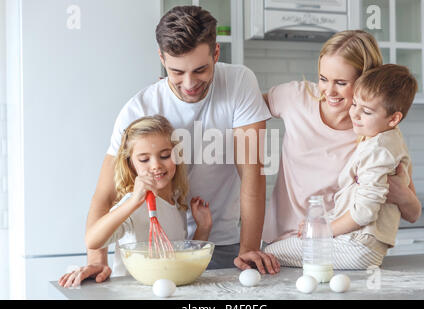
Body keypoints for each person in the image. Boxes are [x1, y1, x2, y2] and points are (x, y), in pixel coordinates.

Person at [59, 5, 279, 288]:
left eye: (200, 70)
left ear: (216, 53)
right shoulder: (139, 109)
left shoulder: (238, 83)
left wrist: (248, 248)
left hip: (225, 242)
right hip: (156, 249)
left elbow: (252, 175)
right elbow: (105, 194)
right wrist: (97, 260)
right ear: (162, 58)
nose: (189, 84)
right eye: (176, 72)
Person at [260, 30, 421, 257]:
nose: (329, 91)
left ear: (365, 80)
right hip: (280, 244)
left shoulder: (376, 134)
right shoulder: (295, 98)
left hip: (334, 247)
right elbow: (245, 111)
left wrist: (400, 193)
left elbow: (413, 213)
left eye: (341, 83)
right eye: (323, 79)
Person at [81, 115, 212, 278]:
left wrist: (203, 228)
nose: (156, 165)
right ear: (131, 164)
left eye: (165, 156)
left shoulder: (177, 204)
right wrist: (133, 202)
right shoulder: (132, 205)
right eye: (144, 159)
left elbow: (181, 259)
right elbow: (92, 240)